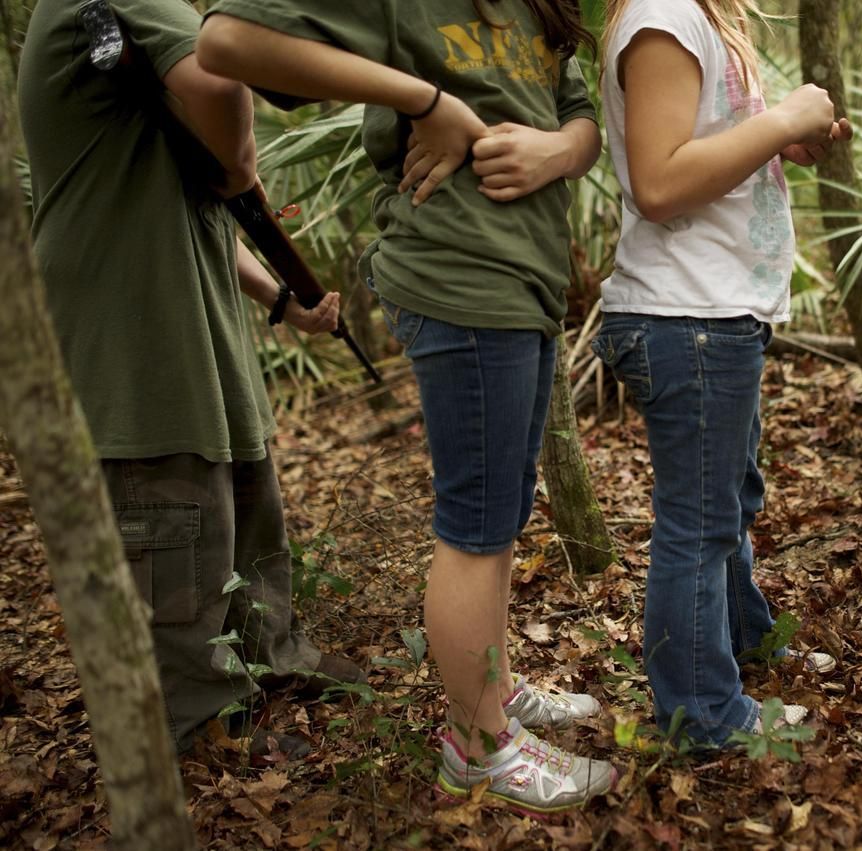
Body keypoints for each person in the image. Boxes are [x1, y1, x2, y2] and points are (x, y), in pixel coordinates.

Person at [197, 0, 616, 814]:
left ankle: (489, 688)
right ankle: (478, 743)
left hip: (524, 278)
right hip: (459, 271)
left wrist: (560, 150)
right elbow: (226, 39)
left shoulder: (540, 8)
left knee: (503, 510)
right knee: (477, 522)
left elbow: (577, 112)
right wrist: (428, 103)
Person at [17, 0, 366, 758]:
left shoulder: (134, 39)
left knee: (245, 500)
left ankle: (269, 658)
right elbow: (219, 79)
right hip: (129, 324)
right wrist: (241, 164)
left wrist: (282, 297)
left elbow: (199, 208)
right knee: (169, 524)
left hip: (186, 319)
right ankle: (202, 719)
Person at [593, 0, 850, 748]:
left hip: (715, 311)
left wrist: (785, 139)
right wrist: (783, 116)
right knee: (698, 524)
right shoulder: (665, 15)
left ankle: (743, 643)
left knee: (726, 502)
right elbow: (661, 182)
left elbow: (702, 148)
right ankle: (703, 713)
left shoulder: (700, 14)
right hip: (686, 315)